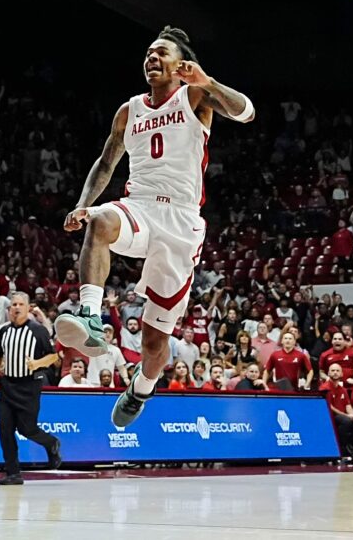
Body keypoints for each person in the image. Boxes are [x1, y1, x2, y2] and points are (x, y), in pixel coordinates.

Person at [59, 26, 254, 431]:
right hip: (140, 207)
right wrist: (83, 205)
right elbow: (107, 162)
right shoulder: (129, 110)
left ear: (180, 63)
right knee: (100, 221)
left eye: (160, 52)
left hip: (181, 223)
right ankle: (91, 318)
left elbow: (246, 111)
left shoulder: (195, 95)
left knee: (153, 342)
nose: (151, 57)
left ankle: (142, 388)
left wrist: (209, 81)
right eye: (148, 52)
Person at [0, 292, 62, 484]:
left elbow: (54, 357)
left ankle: (51, 443)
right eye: (13, 304)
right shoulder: (3, 331)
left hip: (28, 386)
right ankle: (13, 472)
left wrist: (37, 363)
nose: (16, 307)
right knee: (5, 430)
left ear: (28, 308)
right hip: (6, 386)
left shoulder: (38, 331)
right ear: (9, 309)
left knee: (27, 429)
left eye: (21, 304)